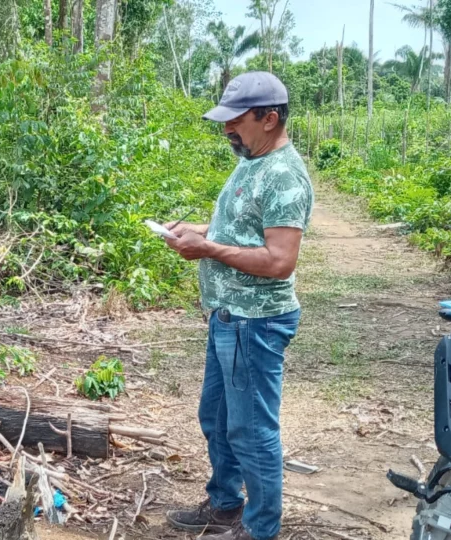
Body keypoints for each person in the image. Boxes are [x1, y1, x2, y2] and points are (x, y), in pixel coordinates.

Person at [163, 72, 314, 540]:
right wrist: (199, 232)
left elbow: (280, 261)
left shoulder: (285, 175)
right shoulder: (250, 159)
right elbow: (240, 227)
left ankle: (260, 528)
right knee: (217, 418)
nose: (227, 130)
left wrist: (208, 250)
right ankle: (225, 503)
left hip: (256, 323)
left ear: (269, 119)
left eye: (235, 121)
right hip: (228, 316)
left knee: (251, 432)